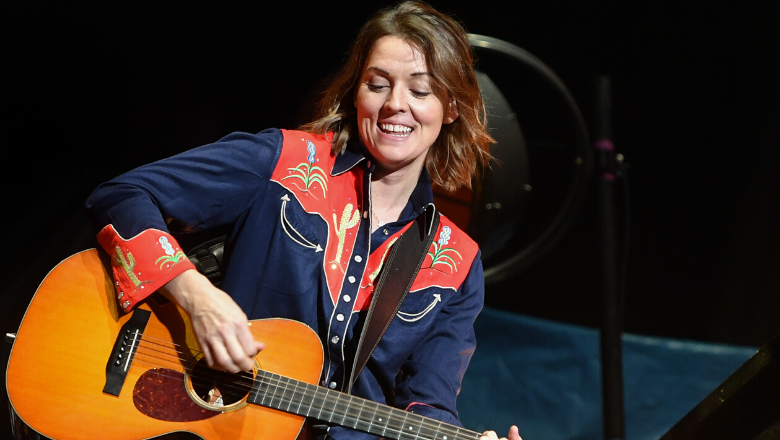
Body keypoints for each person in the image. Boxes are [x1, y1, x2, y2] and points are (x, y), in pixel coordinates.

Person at [86, 2, 521, 439]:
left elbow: (429, 405)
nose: (394, 105)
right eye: (377, 85)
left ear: (451, 107)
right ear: (356, 92)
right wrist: (197, 297)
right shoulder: (284, 162)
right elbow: (123, 196)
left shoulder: (456, 262)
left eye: (420, 91)